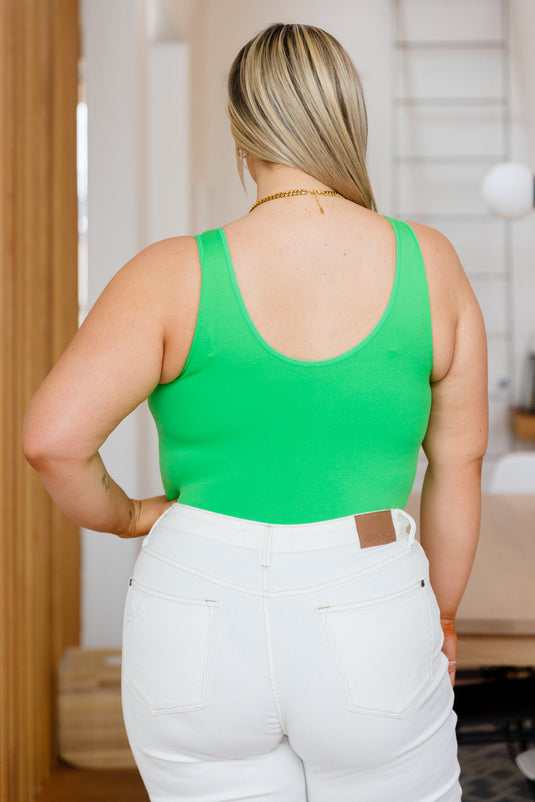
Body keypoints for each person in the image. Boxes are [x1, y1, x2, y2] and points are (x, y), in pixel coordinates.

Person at [22, 22, 487, 802]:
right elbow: (458, 464)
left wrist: (128, 517)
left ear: (243, 131)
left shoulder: (169, 274)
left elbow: (51, 441)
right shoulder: (428, 263)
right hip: (368, 601)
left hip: (194, 601)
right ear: (347, 119)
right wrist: (437, 614)